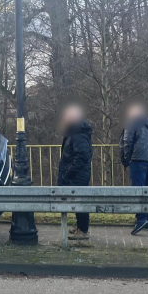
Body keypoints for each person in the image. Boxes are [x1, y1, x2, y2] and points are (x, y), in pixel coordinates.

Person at [119, 102, 148, 235]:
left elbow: (127, 142)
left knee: (138, 191)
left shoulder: (132, 123)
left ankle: (140, 219)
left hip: (138, 161)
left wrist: (126, 159)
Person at [57, 103, 93, 240]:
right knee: (77, 201)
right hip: (77, 173)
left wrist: (69, 171)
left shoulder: (78, 134)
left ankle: (83, 230)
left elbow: (82, 155)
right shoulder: (76, 131)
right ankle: (80, 226)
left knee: (80, 201)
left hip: (78, 175)